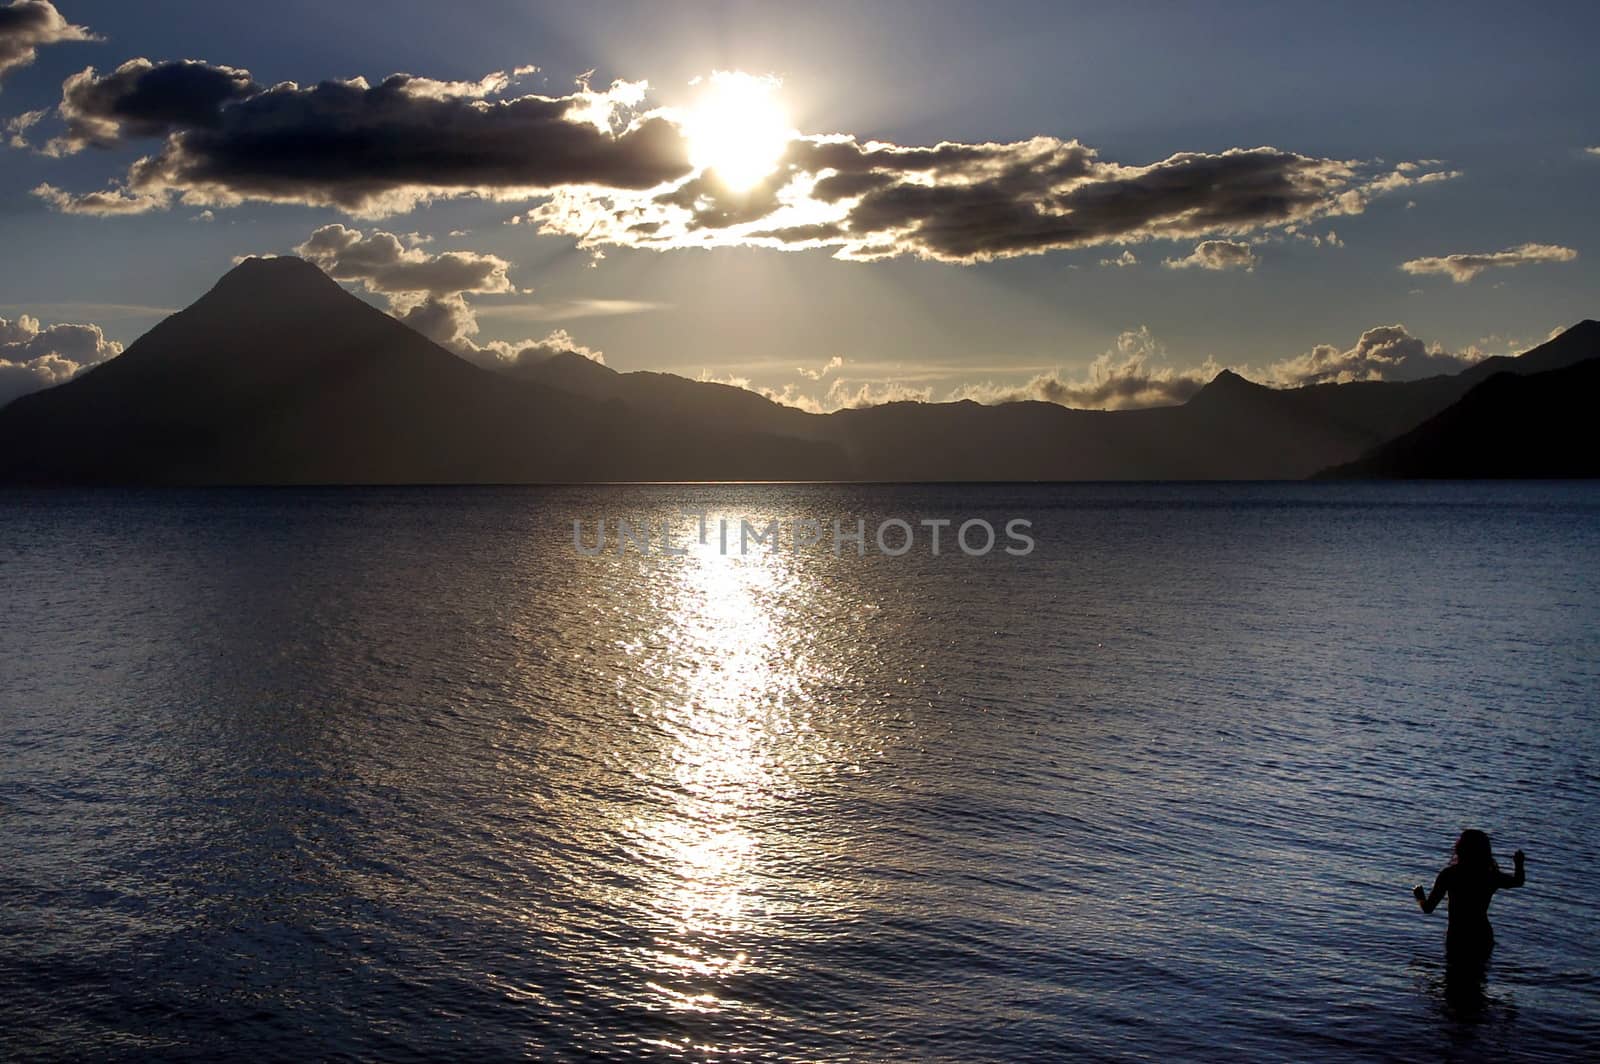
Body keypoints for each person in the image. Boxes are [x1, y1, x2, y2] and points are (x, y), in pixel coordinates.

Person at [1413, 829, 1526, 963]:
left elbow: (1428, 908)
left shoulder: (1449, 875)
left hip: (1458, 936)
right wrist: (1519, 864)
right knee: (1478, 979)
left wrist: (1419, 897)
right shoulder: (1489, 876)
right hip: (1482, 936)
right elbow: (1518, 881)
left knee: (1453, 979)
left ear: (1460, 848)